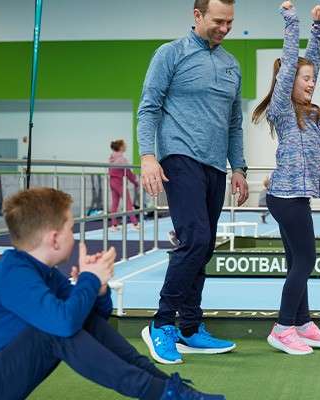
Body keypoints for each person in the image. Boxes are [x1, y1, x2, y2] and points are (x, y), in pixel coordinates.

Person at [0, 188, 223, 400]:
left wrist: (98, 288)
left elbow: (92, 320)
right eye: (71, 228)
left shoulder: (38, 272)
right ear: (54, 238)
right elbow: (64, 326)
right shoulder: (14, 275)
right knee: (53, 331)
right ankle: (161, 393)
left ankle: (171, 390)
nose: (75, 234)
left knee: (66, 323)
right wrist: (89, 281)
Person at [137, 0, 248, 364]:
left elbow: (234, 124)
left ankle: (189, 328)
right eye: (218, 21)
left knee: (204, 246)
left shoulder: (232, 65)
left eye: (230, 22)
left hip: (215, 166)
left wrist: (239, 168)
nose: (225, 28)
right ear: (197, 16)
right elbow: (149, 106)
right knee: (195, 238)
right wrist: (148, 155)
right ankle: (161, 323)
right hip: (179, 158)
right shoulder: (171, 54)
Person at [251, 1, 320, 355]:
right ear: (288, 82)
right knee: (306, 260)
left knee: (296, 261)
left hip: (295, 195)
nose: (311, 82)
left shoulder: (309, 112)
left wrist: (318, 30)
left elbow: (309, 61)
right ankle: (284, 326)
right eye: (305, 79)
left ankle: (302, 321)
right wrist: (292, 21)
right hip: (286, 197)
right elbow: (293, 63)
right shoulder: (283, 109)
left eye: (313, 79)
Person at [109, 139, 140, 231]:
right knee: (128, 203)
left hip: (112, 182)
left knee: (115, 203)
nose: (126, 146)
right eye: (125, 145)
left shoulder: (111, 157)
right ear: (121, 147)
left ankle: (114, 225)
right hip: (119, 182)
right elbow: (129, 173)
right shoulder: (122, 159)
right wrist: (135, 182)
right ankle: (135, 223)